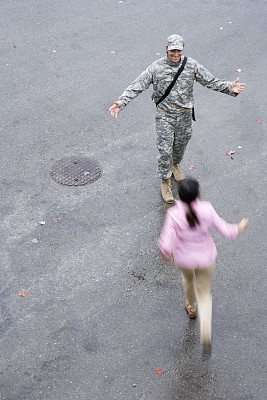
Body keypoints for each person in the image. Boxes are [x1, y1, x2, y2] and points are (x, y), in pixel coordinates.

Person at [109, 34, 245, 204]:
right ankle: (165, 182)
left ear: (182, 49)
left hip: (185, 114)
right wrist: (121, 102)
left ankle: (175, 165)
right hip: (165, 115)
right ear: (166, 48)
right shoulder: (156, 68)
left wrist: (230, 87)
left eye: (178, 50)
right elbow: (136, 86)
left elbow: (211, 81)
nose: (175, 53)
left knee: (180, 146)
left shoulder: (191, 65)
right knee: (165, 151)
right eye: (172, 50)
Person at [157, 177, 248, 349]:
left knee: (188, 281)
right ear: (198, 194)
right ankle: (205, 332)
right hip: (206, 258)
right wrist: (240, 227)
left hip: (184, 260)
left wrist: (165, 255)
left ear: (180, 196)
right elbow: (226, 230)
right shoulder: (207, 209)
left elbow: (167, 242)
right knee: (204, 292)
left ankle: (191, 308)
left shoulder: (174, 214)